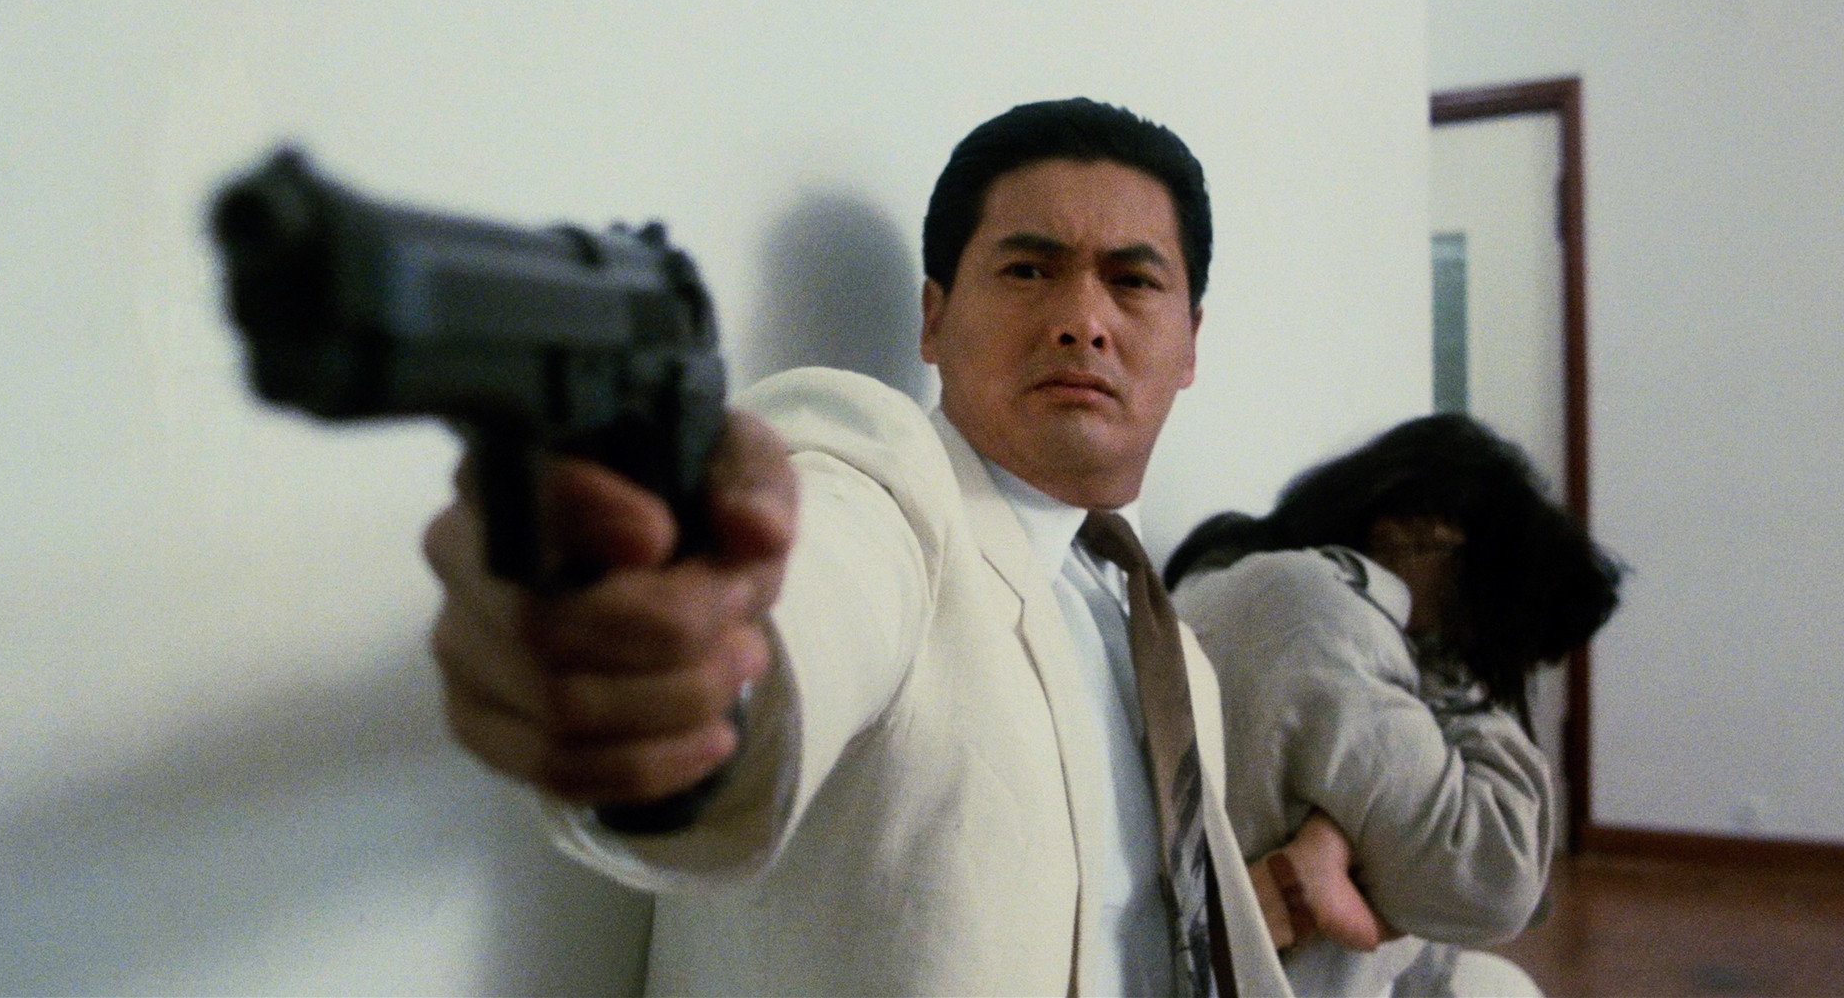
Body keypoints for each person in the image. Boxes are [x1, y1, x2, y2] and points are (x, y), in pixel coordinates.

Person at [424, 99, 1293, 996]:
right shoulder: (888, 485)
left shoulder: (1173, 664)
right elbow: (809, 596)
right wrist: (691, 672)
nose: (1082, 320)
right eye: (1028, 270)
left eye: (1133, 281)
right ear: (933, 319)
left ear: (1190, 343)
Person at [1164, 413, 1624, 997]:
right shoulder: (1311, 609)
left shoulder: (1235, 577)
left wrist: (1335, 838)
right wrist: (1463, 680)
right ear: (1421, 529)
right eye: (1486, 615)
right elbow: (1498, 879)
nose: (1467, 644)